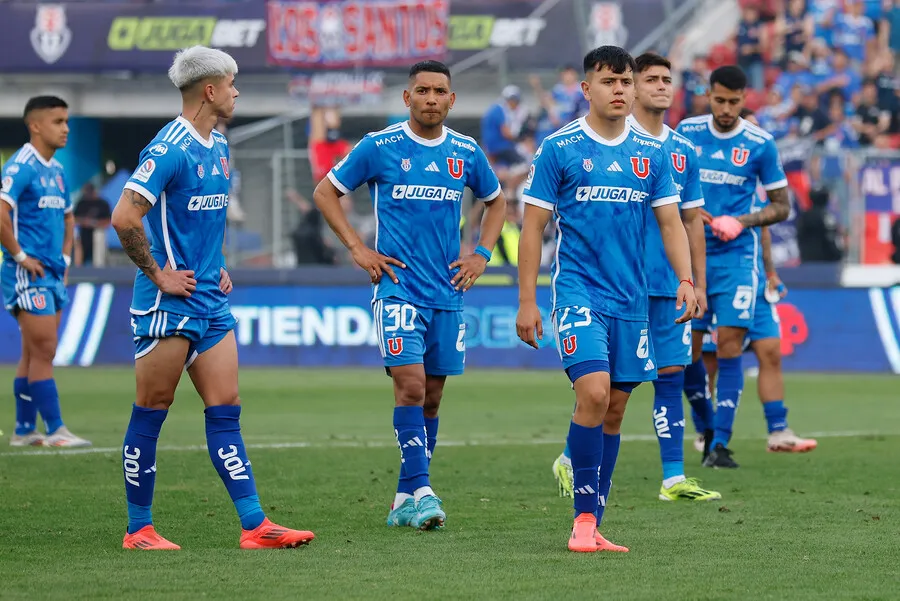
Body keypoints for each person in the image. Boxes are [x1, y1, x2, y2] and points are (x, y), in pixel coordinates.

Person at [111, 46, 315, 550]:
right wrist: (159, 275)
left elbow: (203, 217)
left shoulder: (219, 146)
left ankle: (255, 525)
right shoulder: (168, 148)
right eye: (232, 83)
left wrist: (215, 263)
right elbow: (124, 217)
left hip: (210, 302)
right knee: (152, 409)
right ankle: (139, 529)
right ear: (210, 90)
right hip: (167, 305)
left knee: (226, 408)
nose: (236, 91)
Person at [516, 46, 697, 553]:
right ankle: (579, 523)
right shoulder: (560, 147)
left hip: (632, 300)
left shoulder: (653, 154)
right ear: (587, 89)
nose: (618, 90)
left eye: (625, 82)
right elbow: (533, 228)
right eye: (608, 82)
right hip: (578, 292)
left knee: (614, 411)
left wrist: (685, 279)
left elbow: (671, 222)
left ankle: (593, 519)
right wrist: (527, 300)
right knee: (593, 394)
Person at [313, 60, 507, 531]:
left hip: (447, 292)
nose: (431, 99)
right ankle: (423, 490)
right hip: (398, 290)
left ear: (451, 99)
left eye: (440, 91)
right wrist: (358, 248)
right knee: (412, 388)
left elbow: (497, 200)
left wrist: (481, 254)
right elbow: (325, 192)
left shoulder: (465, 151)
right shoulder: (379, 147)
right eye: (422, 91)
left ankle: (404, 496)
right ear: (407, 98)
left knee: (434, 398)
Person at [552, 52, 719, 502]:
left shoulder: (680, 152)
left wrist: (695, 282)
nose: (661, 87)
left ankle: (672, 477)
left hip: (667, 285)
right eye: (651, 79)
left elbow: (688, 223)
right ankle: (576, 458)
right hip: (618, 287)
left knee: (670, 375)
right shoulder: (594, 144)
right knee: (604, 392)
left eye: (669, 79)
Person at [676, 67, 793, 468]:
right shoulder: (686, 134)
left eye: (734, 102)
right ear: (708, 96)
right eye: (719, 100)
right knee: (687, 352)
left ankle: (720, 444)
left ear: (746, 99)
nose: (726, 109)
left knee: (729, 347)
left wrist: (741, 221)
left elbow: (782, 206)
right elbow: (664, 185)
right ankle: (705, 426)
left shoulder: (760, 143)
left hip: (737, 257)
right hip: (689, 253)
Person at [687, 108, 818, 455]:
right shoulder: (715, 181)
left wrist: (771, 272)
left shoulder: (758, 192)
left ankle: (778, 430)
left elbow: (764, 232)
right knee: (708, 358)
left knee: (770, 350)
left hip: (754, 278)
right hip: (717, 271)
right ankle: (706, 429)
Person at [0, 95, 91, 448]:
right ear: (35, 125)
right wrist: (20, 256)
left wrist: (66, 261)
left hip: (52, 272)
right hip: (27, 274)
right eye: (58, 121)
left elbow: (69, 218)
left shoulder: (57, 169)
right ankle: (56, 430)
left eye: (67, 121)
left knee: (32, 353)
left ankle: (24, 431)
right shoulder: (20, 166)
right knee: (46, 350)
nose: (66, 128)